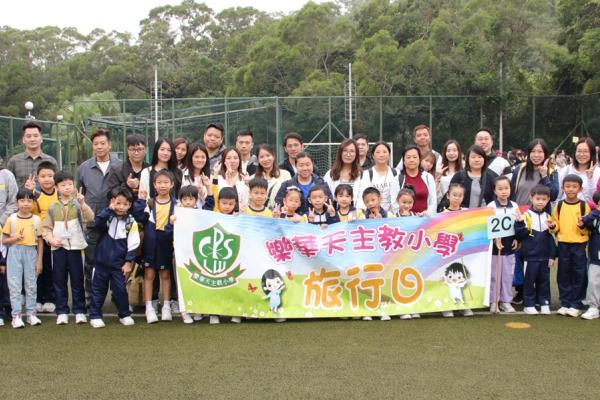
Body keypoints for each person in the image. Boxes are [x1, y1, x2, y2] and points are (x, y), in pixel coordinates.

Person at [41, 170, 94, 325]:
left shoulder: (78, 204)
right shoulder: (53, 207)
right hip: (58, 249)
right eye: (63, 185)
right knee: (59, 281)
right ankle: (62, 311)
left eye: (70, 184)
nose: (67, 187)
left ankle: (79, 311)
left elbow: (90, 218)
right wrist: (51, 240)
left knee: (77, 281)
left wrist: (83, 204)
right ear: (56, 187)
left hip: (76, 249)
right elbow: (46, 228)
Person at [77, 129, 123, 303]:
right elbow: (79, 194)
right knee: (90, 260)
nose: (99, 147)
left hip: (116, 219)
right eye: (96, 144)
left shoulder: (120, 165)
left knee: (117, 260)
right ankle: (91, 298)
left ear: (110, 145)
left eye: (103, 143)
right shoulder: (84, 168)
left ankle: (118, 298)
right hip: (93, 221)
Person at [88, 187, 140, 328]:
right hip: (101, 263)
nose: (121, 207)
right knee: (98, 290)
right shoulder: (106, 217)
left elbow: (133, 243)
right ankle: (95, 315)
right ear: (111, 202)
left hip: (119, 264)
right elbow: (96, 224)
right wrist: (108, 210)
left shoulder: (131, 222)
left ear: (129, 205)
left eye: (125, 204)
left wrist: (128, 262)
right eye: (118, 203)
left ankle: (124, 314)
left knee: (120, 290)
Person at [135, 170, 177, 324]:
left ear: (172, 184)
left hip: (166, 244)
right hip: (150, 244)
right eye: (159, 182)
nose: (162, 185)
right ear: (154, 185)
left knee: (166, 275)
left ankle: (166, 306)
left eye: (166, 182)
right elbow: (139, 217)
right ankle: (149, 308)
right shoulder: (149, 203)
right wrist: (141, 200)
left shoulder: (176, 204)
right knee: (149, 275)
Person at [3, 188, 43, 328]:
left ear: (33, 203)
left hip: (31, 252)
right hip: (15, 252)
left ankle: (31, 314)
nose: (26, 204)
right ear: (17, 202)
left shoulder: (36, 220)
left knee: (31, 284)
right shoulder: (12, 219)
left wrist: (39, 260)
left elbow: (40, 241)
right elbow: (4, 240)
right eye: (22, 200)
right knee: (15, 285)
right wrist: (15, 238)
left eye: (29, 201)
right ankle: (16, 316)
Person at [514, 185, 556, 315]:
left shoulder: (548, 217)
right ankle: (529, 304)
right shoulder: (525, 216)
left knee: (544, 282)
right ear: (531, 198)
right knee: (529, 281)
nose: (540, 202)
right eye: (538, 199)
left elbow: (551, 239)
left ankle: (544, 302)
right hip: (530, 257)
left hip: (544, 257)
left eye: (544, 199)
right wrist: (519, 223)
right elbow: (520, 236)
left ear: (548, 200)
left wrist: (552, 256)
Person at [552, 174, 590, 318]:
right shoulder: (559, 205)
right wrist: (553, 227)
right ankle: (565, 302)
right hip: (563, 243)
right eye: (568, 186)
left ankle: (576, 303)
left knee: (579, 273)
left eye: (574, 187)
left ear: (580, 189)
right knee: (563, 273)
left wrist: (582, 226)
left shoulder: (584, 206)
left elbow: (588, 227)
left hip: (579, 245)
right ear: (563, 188)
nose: (571, 189)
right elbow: (555, 224)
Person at [28, 161, 58, 313]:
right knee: (38, 269)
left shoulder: (60, 193)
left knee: (52, 269)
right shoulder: (34, 194)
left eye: (50, 176)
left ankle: (50, 298)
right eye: (43, 176)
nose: (47, 179)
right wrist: (29, 193)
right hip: (37, 238)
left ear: (55, 177)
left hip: (54, 237)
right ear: (37, 178)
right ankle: (38, 299)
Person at [487, 176, 518, 313]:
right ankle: (494, 301)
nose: (504, 191)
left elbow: (518, 224)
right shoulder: (491, 206)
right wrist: (495, 239)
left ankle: (506, 301)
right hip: (495, 248)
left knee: (507, 275)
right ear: (495, 191)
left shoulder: (514, 206)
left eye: (506, 188)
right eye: (500, 189)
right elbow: (488, 226)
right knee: (494, 275)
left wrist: (517, 238)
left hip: (509, 247)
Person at [7, 121, 57, 188]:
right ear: (23, 140)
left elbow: (57, 184)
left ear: (41, 139)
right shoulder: (14, 161)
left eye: (36, 136)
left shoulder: (51, 161)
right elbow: (7, 185)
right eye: (28, 136)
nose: (32, 139)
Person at [356, 142, 400, 215]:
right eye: (378, 152)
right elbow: (362, 195)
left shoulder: (396, 173)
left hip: (393, 216)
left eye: (384, 152)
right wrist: (359, 212)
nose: (381, 155)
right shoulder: (367, 174)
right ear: (373, 155)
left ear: (389, 155)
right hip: (372, 216)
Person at [558, 137, 600, 203]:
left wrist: (590, 179)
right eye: (579, 151)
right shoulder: (566, 170)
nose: (581, 154)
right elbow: (558, 195)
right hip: (566, 208)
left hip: (587, 209)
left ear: (592, 153)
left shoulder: (598, 172)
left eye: (585, 151)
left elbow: (596, 199)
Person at [0, 161, 17, 322]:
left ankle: (8, 306)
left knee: (5, 269)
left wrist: (2, 221)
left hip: (4, 228)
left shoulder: (6, 175)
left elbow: (13, 202)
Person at [398, 145, 437, 215]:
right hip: (404, 219)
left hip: (425, 218)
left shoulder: (428, 177)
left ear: (419, 159)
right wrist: (403, 215)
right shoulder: (397, 179)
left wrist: (427, 213)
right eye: (408, 157)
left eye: (415, 157)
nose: (412, 160)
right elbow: (394, 203)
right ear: (403, 161)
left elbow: (433, 201)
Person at [251, 144, 291, 209]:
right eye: (261, 157)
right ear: (258, 159)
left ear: (273, 156)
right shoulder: (252, 178)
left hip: (279, 212)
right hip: (258, 213)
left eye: (268, 155)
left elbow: (290, 195)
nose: (265, 159)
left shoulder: (285, 174)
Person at [324, 138, 362, 205]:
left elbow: (363, 197)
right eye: (345, 150)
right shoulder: (330, 174)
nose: (348, 154)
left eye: (352, 151)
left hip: (356, 211)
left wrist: (357, 210)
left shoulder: (362, 174)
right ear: (340, 153)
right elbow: (326, 195)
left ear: (356, 154)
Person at [580, 191, 600, 320]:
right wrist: (595, 212)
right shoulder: (595, 217)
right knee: (594, 281)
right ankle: (593, 307)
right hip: (596, 255)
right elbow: (584, 221)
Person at [212, 148, 250, 212]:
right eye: (228, 158)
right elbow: (213, 198)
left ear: (239, 160)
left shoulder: (245, 178)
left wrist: (248, 184)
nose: (232, 161)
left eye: (235, 158)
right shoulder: (217, 178)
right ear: (224, 161)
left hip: (241, 214)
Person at [181, 144, 211, 208]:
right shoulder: (183, 175)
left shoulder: (211, 177)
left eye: (203, 157)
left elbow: (212, 202)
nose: (200, 160)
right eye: (196, 157)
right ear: (190, 158)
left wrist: (202, 193)